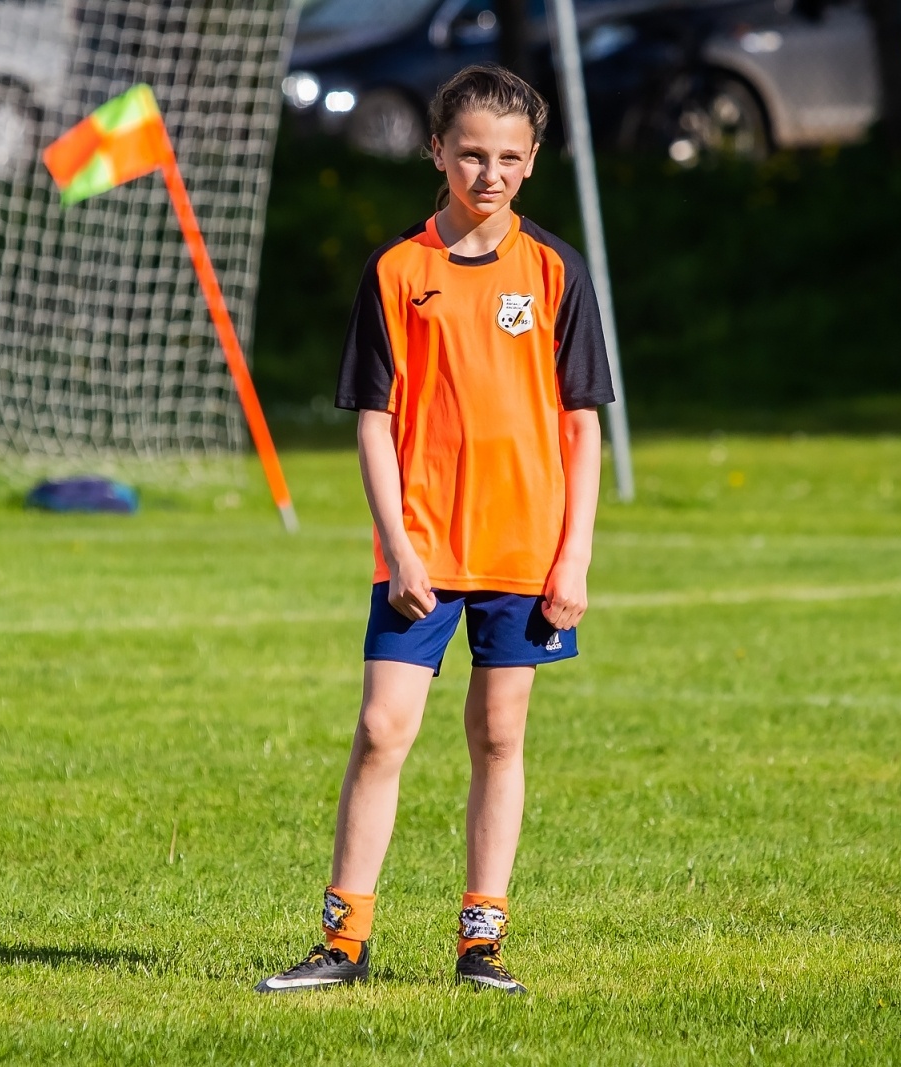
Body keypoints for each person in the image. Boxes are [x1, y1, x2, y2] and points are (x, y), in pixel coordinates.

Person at [256, 65, 613, 995]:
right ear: (436, 151)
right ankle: (344, 941)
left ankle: (480, 940)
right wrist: (400, 545)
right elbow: (372, 420)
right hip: (420, 547)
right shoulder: (396, 272)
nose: (488, 173)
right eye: (470, 153)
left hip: (526, 555)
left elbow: (582, 422)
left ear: (532, 163)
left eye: (508, 157)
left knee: (500, 736)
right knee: (383, 729)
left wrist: (572, 554)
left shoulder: (556, 271)